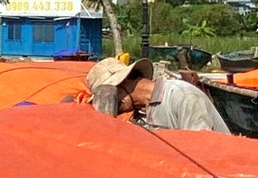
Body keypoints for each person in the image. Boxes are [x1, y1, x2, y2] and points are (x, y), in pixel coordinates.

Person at [85, 56, 230, 133]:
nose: (112, 106)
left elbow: (202, 148)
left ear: (124, 82)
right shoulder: (139, 114)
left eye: (110, 98)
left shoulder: (182, 96)